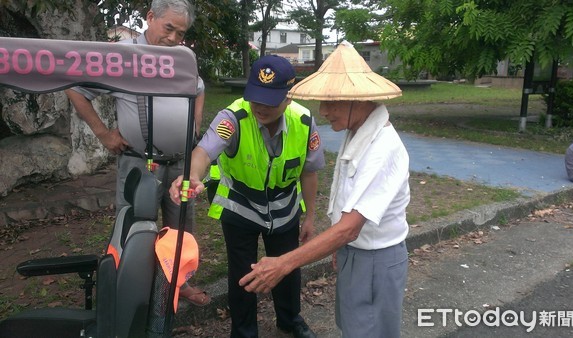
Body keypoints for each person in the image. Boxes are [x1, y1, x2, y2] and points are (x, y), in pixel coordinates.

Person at [239, 41, 410, 338]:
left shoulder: (383, 148)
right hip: (356, 253)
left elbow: (350, 228)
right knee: (353, 328)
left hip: (374, 260)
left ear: (360, 99)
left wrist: (284, 264)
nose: (324, 110)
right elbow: (346, 216)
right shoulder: (359, 129)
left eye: (332, 100)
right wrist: (341, 248)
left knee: (368, 332)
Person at [65, 0, 210, 306]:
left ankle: (178, 284)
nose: (172, 38)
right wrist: (104, 134)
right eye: (168, 28)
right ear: (150, 17)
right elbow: (75, 88)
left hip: (180, 163)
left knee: (181, 227)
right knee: (134, 227)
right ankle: (133, 292)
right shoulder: (123, 57)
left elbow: (198, 87)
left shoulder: (182, 58)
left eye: (179, 33)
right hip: (139, 163)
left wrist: (195, 122)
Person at [170, 55, 325, 338]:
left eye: (269, 100)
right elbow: (204, 151)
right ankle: (243, 331)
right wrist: (192, 175)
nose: (260, 107)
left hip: (285, 209)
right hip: (240, 206)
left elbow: (309, 172)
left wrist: (311, 216)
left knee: (287, 267)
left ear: (288, 97)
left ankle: (290, 320)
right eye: (256, 97)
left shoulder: (303, 121)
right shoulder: (234, 117)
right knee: (243, 272)